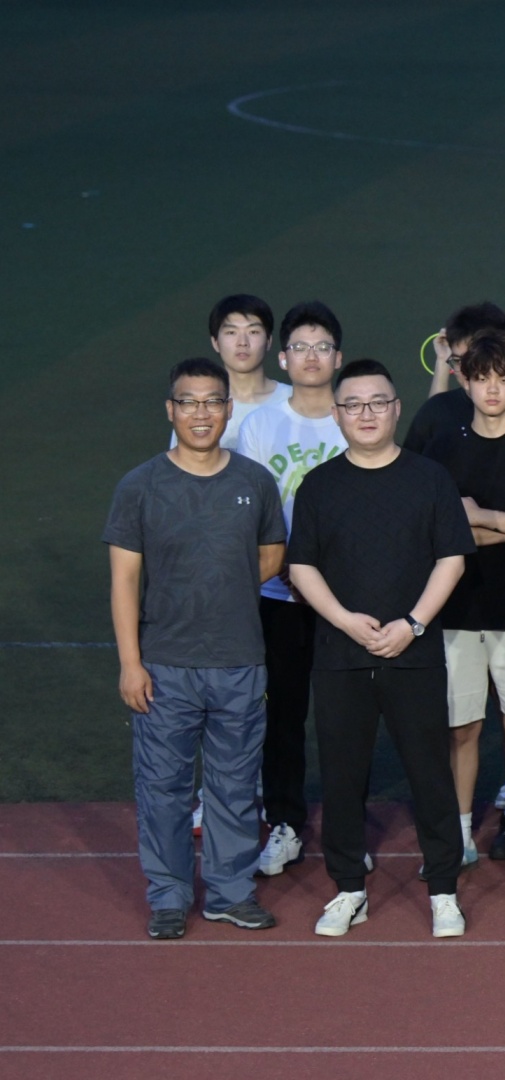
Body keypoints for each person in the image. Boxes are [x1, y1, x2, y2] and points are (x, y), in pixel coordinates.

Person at [286, 359, 474, 939]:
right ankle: (349, 889)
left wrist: (412, 624)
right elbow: (301, 566)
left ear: (396, 408)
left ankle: (443, 890)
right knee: (342, 778)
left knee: (430, 774)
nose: (365, 414)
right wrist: (345, 621)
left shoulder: (429, 478)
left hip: (414, 653)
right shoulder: (319, 485)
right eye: (353, 405)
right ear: (337, 414)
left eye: (377, 403)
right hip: (340, 656)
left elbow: (452, 559)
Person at [107, 358, 287, 939]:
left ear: (228, 409)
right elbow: (125, 580)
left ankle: (230, 894)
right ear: (171, 410)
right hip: (165, 665)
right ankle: (168, 896)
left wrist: (220, 586)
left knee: (235, 787)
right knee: (163, 789)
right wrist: (130, 663)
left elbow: (271, 557)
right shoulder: (140, 485)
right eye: (189, 402)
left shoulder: (255, 481)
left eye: (212, 401)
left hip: (240, 662)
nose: (201, 413)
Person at [420, 331, 505, 879]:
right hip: (454, 609)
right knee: (461, 729)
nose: (492, 389)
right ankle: (457, 836)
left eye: (503, 378)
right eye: (481, 379)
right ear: (464, 381)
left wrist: (477, 517)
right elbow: (437, 530)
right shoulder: (441, 444)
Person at [234, 301, 347, 876]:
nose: (311, 357)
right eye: (300, 347)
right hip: (277, 596)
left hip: (344, 597)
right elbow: (251, 507)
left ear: (338, 357)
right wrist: (283, 565)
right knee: (282, 715)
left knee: (346, 716)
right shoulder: (260, 424)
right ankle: (284, 823)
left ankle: (347, 830)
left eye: (321, 347)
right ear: (283, 358)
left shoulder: (353, 417)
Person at [405, 303, 505, 452]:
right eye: (458, 361)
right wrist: (441, 361)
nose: (465, 370)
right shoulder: (435, 411)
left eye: (474, 360)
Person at [205, 295, 289, 445]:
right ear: (215, 342)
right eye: (231, 332)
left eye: (253, 332)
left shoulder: (294, 400)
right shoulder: (199, 408)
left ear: (269, 341)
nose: (242, 342)